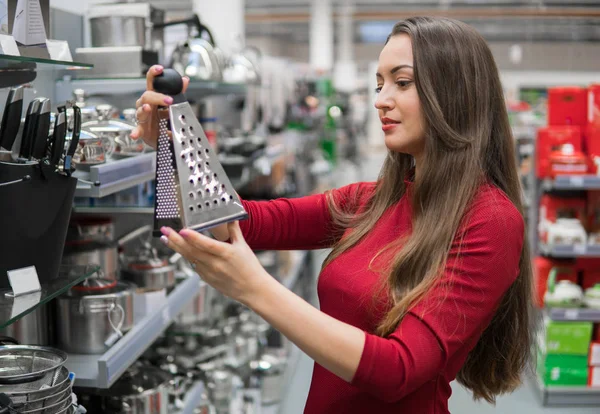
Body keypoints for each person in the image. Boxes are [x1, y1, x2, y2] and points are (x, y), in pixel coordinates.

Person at [131, 16, 533, 414]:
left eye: (402, 82)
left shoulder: (490, 220)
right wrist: (171, 139)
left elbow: (399, 369)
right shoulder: (370, 202)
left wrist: (254, 287)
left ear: (455, 93)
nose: (380, 99)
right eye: (379, 84)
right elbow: (234, 219)